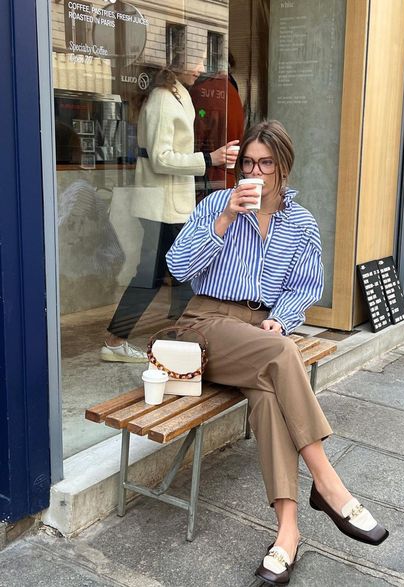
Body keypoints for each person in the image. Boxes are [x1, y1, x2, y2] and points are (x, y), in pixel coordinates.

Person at [166, 120, 388, 584]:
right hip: (204, 325)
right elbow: (178, 267)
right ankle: (328, 484)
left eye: (266, 163)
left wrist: (279, 319)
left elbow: (305, 285)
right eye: (248, 163)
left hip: (256, 333)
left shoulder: (301, 224)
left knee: (269, 395)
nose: (256, 172)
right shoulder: (215, 205)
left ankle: (288, 531)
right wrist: (224, 218)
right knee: (282, 356)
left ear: (283, 167)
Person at [100, 59, 239, 363]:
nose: (202, 67)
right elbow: (161, 158)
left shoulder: (176, 93)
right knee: (164, 273)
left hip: (169, 203)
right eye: (197, 59)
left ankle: (180, 338)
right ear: (176, 61)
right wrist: (209, 158)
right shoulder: (164, 98)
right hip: (162, 204)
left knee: (169, 273)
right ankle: (170, 340)